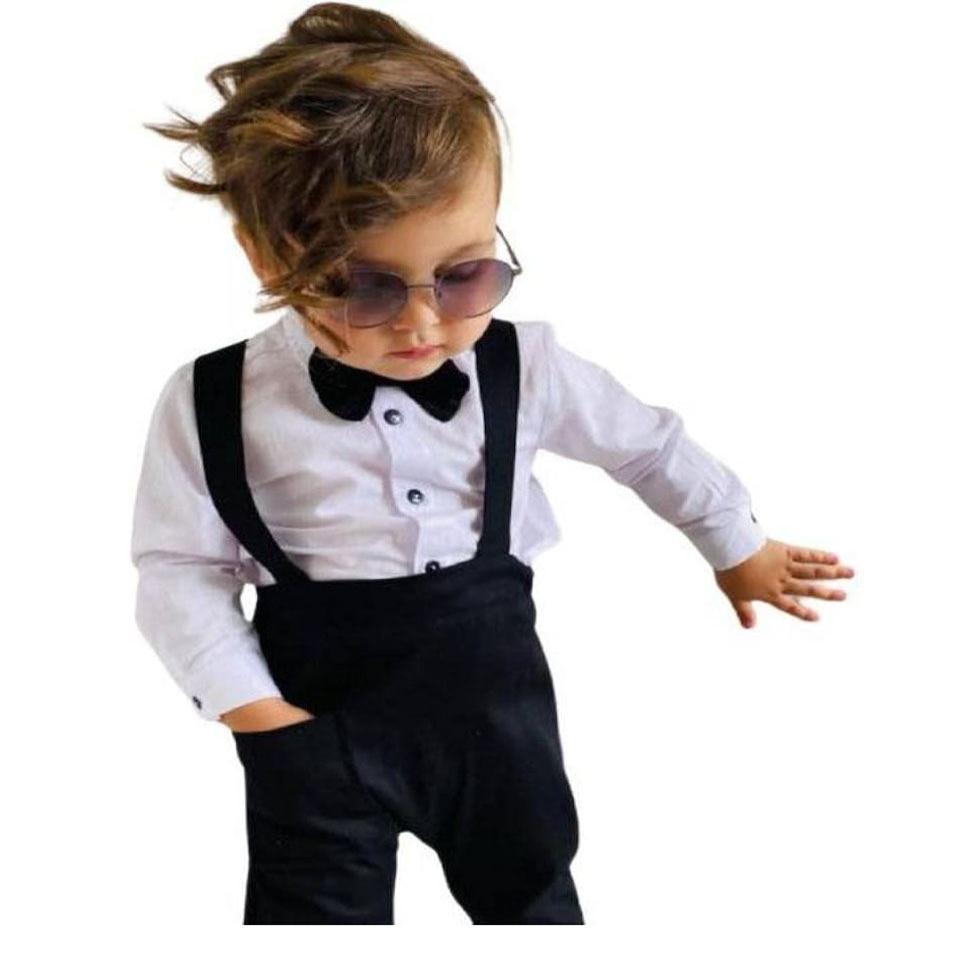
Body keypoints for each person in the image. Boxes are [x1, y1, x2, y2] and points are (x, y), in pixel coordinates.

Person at [131, 2, 855, 925]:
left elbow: (646, 445)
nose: (424, 323)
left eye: (463, 275)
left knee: (532, 901)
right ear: (266, 255)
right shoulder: (213, 401)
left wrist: (733, 544)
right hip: (314, 728)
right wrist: (254, 712)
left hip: (495, 716)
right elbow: (178, 570)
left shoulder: (527, 365)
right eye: (365, 289)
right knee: (310, 922)